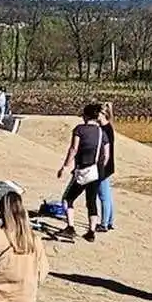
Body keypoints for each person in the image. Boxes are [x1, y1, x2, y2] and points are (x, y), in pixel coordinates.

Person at [56, 103, 110, 242]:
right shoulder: (101, 132)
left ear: (85, 116)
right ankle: (91, 232)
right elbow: (106, 154)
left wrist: (65, 167)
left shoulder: (79, 129)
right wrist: (100, 168)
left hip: (83, 170)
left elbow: (73, 149)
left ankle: (70, 227)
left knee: (68, 199)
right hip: (97, 172)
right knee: (91, 202)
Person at [96, 102, 116, 232]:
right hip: (108, 165)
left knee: (103, 196)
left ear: (103, 114)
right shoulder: (109, 127)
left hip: (103, 166)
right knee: (107, 195)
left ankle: (104, 224)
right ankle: (109, 221)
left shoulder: (104, 129)